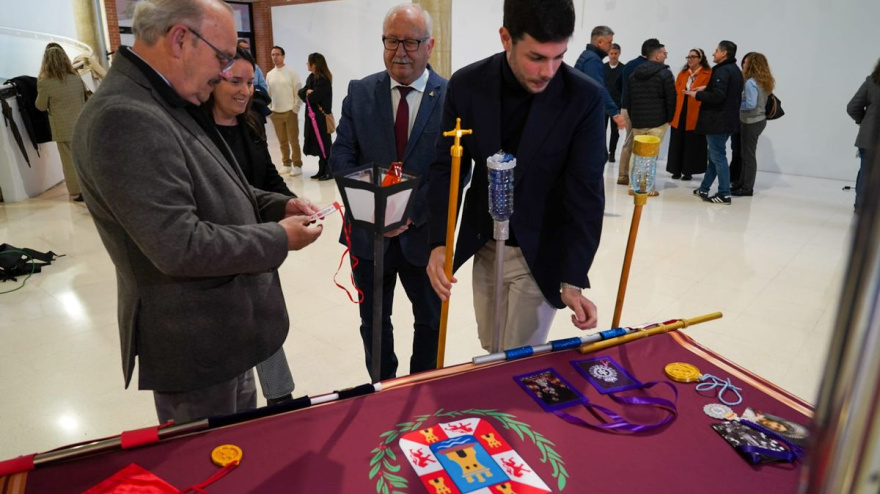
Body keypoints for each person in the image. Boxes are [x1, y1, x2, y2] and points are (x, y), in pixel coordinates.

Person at [72, 0, 324, 423]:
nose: (224, 72)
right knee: (210, 468)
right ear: (180, 39)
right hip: (195, 342)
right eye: (223, 57)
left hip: (225, 335)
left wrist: (282, 204)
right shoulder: (125, 116)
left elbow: (225, 187)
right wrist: (280, 237)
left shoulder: (167, 100)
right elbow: (180, 245)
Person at [426, 0, 604, 352]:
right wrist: (438, 242)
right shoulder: (467, 85)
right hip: (484, 241)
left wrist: (572, 278)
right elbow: (447, 168)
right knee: (490, 343)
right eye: (537, 57)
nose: (549, 71)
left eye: (559, 56)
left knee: (518, 355)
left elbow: (584, 192)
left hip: (540, 249)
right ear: (506, 38)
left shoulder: (583, 97)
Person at [330, 3, 446, 380]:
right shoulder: (361, 92)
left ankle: (422, 388)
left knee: (429, 321)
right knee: (374, 321)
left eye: (410, 42)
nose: (400, 51)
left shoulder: (450, 97)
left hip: (423, 238)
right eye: (392, 41)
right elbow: (342, 155)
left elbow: (455, 172)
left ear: (429, 46)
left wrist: (409, 211)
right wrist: (375, 208)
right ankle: (384, 387)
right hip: (368, 236)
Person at [686, 40, 743, 205]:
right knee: (714, 156)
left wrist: (696, 95)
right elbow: (726, 91)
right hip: (727, 121)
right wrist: (705, 88)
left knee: (718, 157)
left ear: (724, 53)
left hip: (718, 121)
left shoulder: (723, 71)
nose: (713, 53)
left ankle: (724, 193)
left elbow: (719, 96)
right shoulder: (734, 70)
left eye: (716, 50)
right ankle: (704, 188)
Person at [35, 44, 87, 202]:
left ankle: (77, 191)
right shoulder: (76, 77)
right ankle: (90, 189)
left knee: (69, 161)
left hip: (62, 128)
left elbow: (40, 105)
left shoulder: (45, 82)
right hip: (80, 125)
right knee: (83, 159)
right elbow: (83, 99)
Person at [624, 41, 675, 196]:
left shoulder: (634, 74)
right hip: (658, 121)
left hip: (639, 120)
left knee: (636, 153)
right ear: (657, 55)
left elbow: (629, 99)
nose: (666, 56)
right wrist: (669, 118)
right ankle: (647, 188)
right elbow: (671, 99)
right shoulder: (665, 73)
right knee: (651, 155)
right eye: (665, 53)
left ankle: (633, 186)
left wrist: (634, 117)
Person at [616, 38, 661, 185]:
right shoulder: (649, 67)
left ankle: (623, 175)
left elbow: (618, 84)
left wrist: (623, 99)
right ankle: (637, 180)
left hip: (625, 107)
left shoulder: (629, 65)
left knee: (627, 142)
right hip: (640, 110)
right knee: (639, 144)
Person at [733, 53, 775, 197]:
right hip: (759, 120)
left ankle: (746, 187)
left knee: (748, 155)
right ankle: (741, 183)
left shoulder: (750, 82)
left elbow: (750, 104)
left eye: (746, 62)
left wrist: (735, 105)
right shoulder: (764, 81)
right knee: (746, 154)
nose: (743, 64)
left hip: (751, 121)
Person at [667, 48, 711, 181]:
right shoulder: (683, 73)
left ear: (700, 58)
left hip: (696, 112)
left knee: (692, 143)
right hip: (680, 111)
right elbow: (675, 91)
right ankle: (676, 170)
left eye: (693, 56)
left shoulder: (708, 73)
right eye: (688, 57)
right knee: (676, 141)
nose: (690, 59)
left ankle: (688, 171)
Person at [573, 26, 625, 135]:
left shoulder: (588, 56)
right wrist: (615, 113)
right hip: (585, 115)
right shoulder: (592, 60)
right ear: (600, 42)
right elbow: (598, 88)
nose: (611, 46)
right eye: (609, 42)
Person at [846, 59, 879, 212]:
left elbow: (853, 107)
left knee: (866, 172)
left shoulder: (872, 81)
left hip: (869, 136)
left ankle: (861, 207)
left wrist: (863, 121)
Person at [266, 45, 304, 176]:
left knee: (293, 140)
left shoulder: (291, 73)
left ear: (283, 56)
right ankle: (286, 163)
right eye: (273, 55)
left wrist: (295, 108)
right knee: (282, 141)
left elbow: (299, 92)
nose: (275, 57)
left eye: (277, 54)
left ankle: (297, 164)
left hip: (290, 112)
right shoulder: (270, 74)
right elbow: (268, 93)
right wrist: (270, 109)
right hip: (276, 113)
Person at [299, 53, 334, 181]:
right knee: (318, 144)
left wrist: (308, 93)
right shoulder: (311, 77)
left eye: (308, 62)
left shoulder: (323, 80)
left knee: (324, 143)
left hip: (321, 118)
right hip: (313, 117)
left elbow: (313, 97)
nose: (307, 64)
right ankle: (321, 170)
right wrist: (307, 92)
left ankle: (329, 171)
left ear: (314, 64)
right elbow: (301, 92)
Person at [604, 43, 623, 162]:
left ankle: (612, 153)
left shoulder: (623, 69)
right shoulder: (602, 67)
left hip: (617, 105)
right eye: (611, 53)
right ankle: (602, 151)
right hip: (603, 104)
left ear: (619, 53)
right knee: (601, 130)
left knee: (615, 131)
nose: (613, 56)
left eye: (615, 53)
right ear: (608, 54)